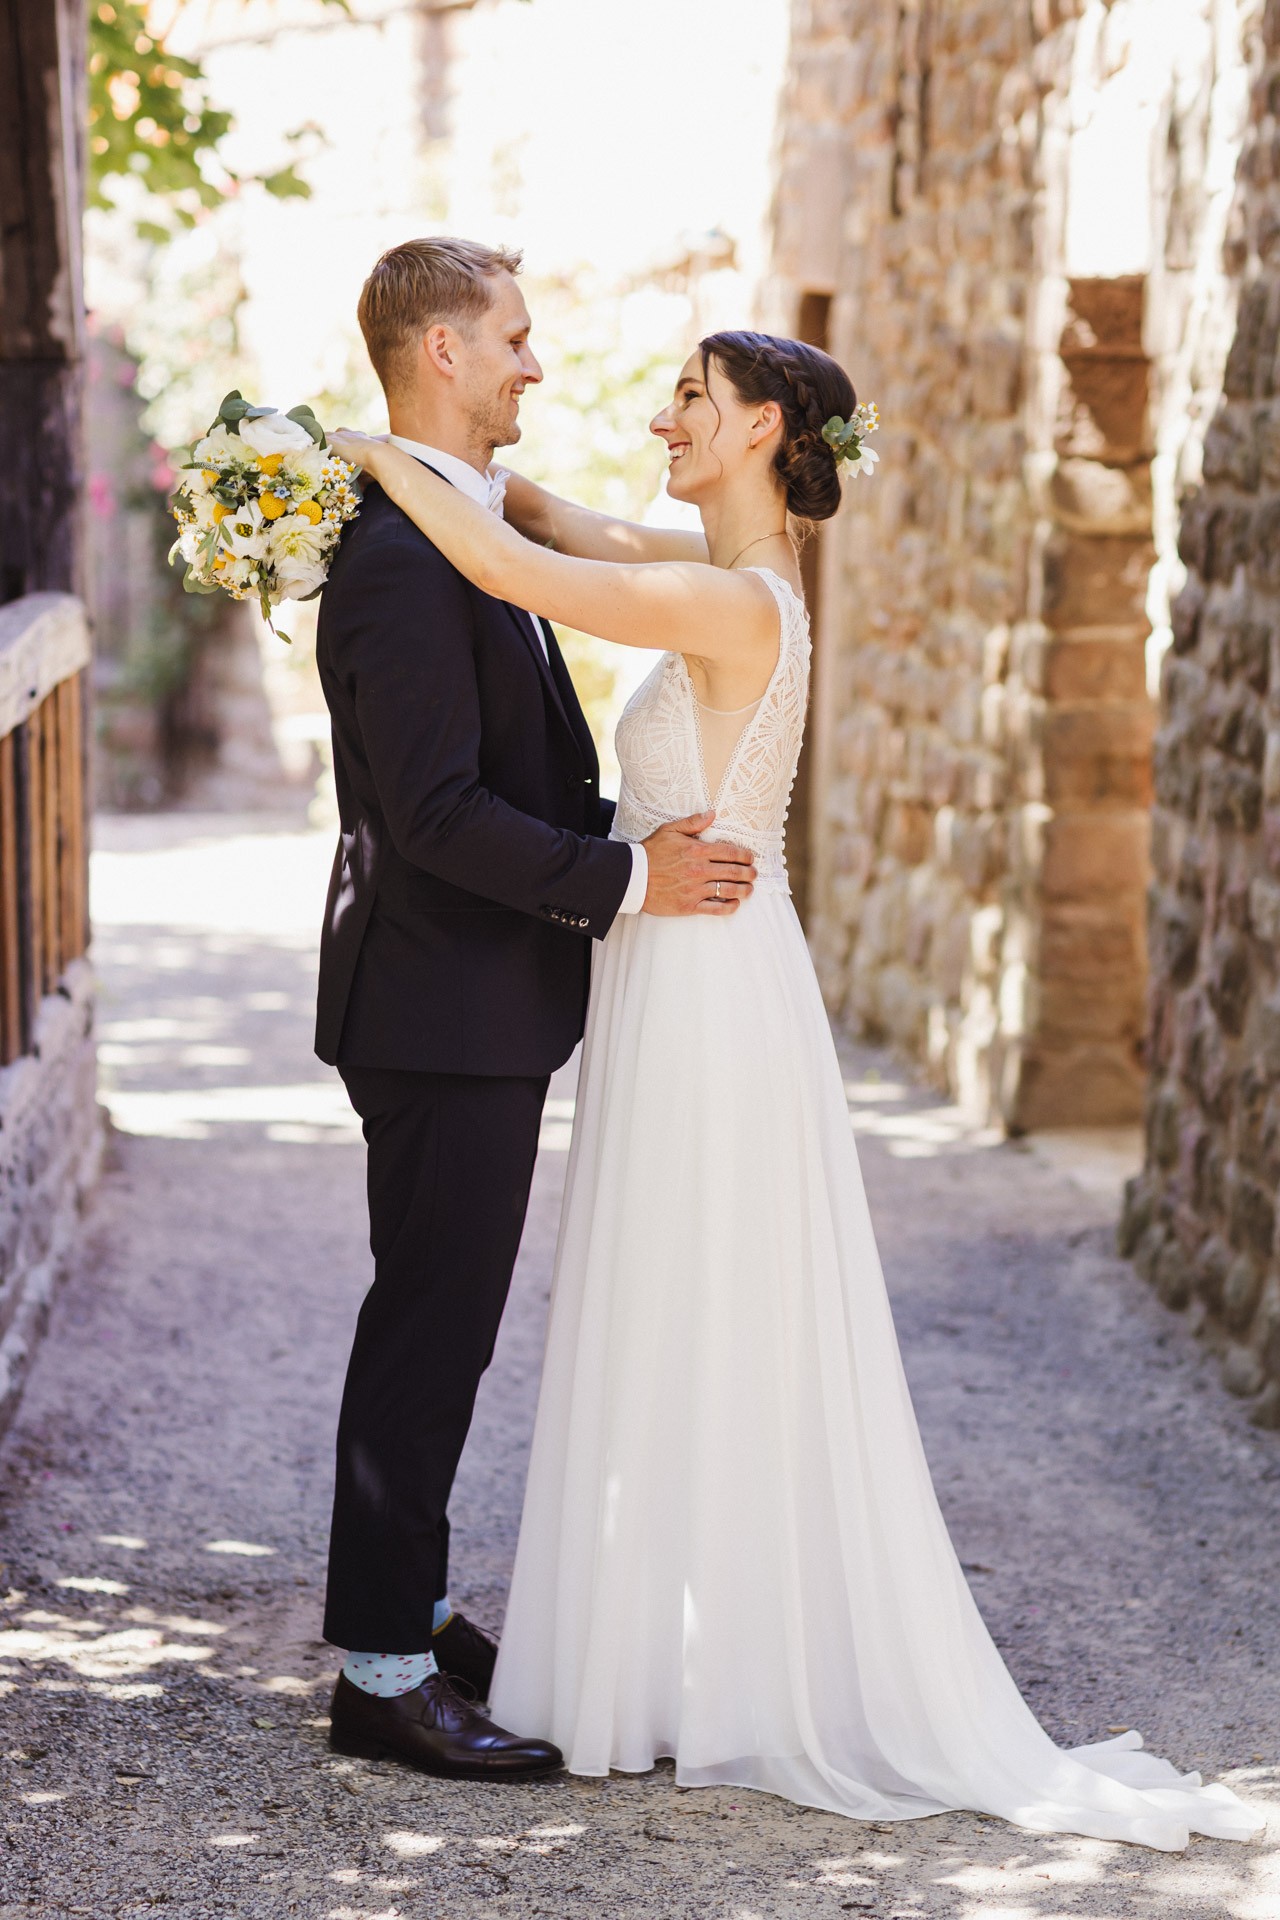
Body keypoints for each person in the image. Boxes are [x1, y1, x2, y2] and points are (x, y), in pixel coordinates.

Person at [332, 319, 1263, 1850]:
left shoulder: (720, 598)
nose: (661, 416)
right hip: (689, 968)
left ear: (765, 426)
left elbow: (517, 575)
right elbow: (548, 524)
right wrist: (456, 471)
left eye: (691, 398)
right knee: (665, 1290)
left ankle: (702, 1662)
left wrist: (366, 455)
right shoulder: (726, 570)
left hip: (704, 986)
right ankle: (642, 1648)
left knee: (691, 1293)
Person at [315, 236, 757, 1780]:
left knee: (447, 1319)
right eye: (511, 337)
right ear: (439, 352)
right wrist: (629, 879)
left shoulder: (456, 529)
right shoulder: (394, 561)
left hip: (471, 1002)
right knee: (429, 1326)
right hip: (435, 1007)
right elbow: (432, 812)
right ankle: (379, 1673)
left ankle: (416, 1613)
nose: (533, 363)